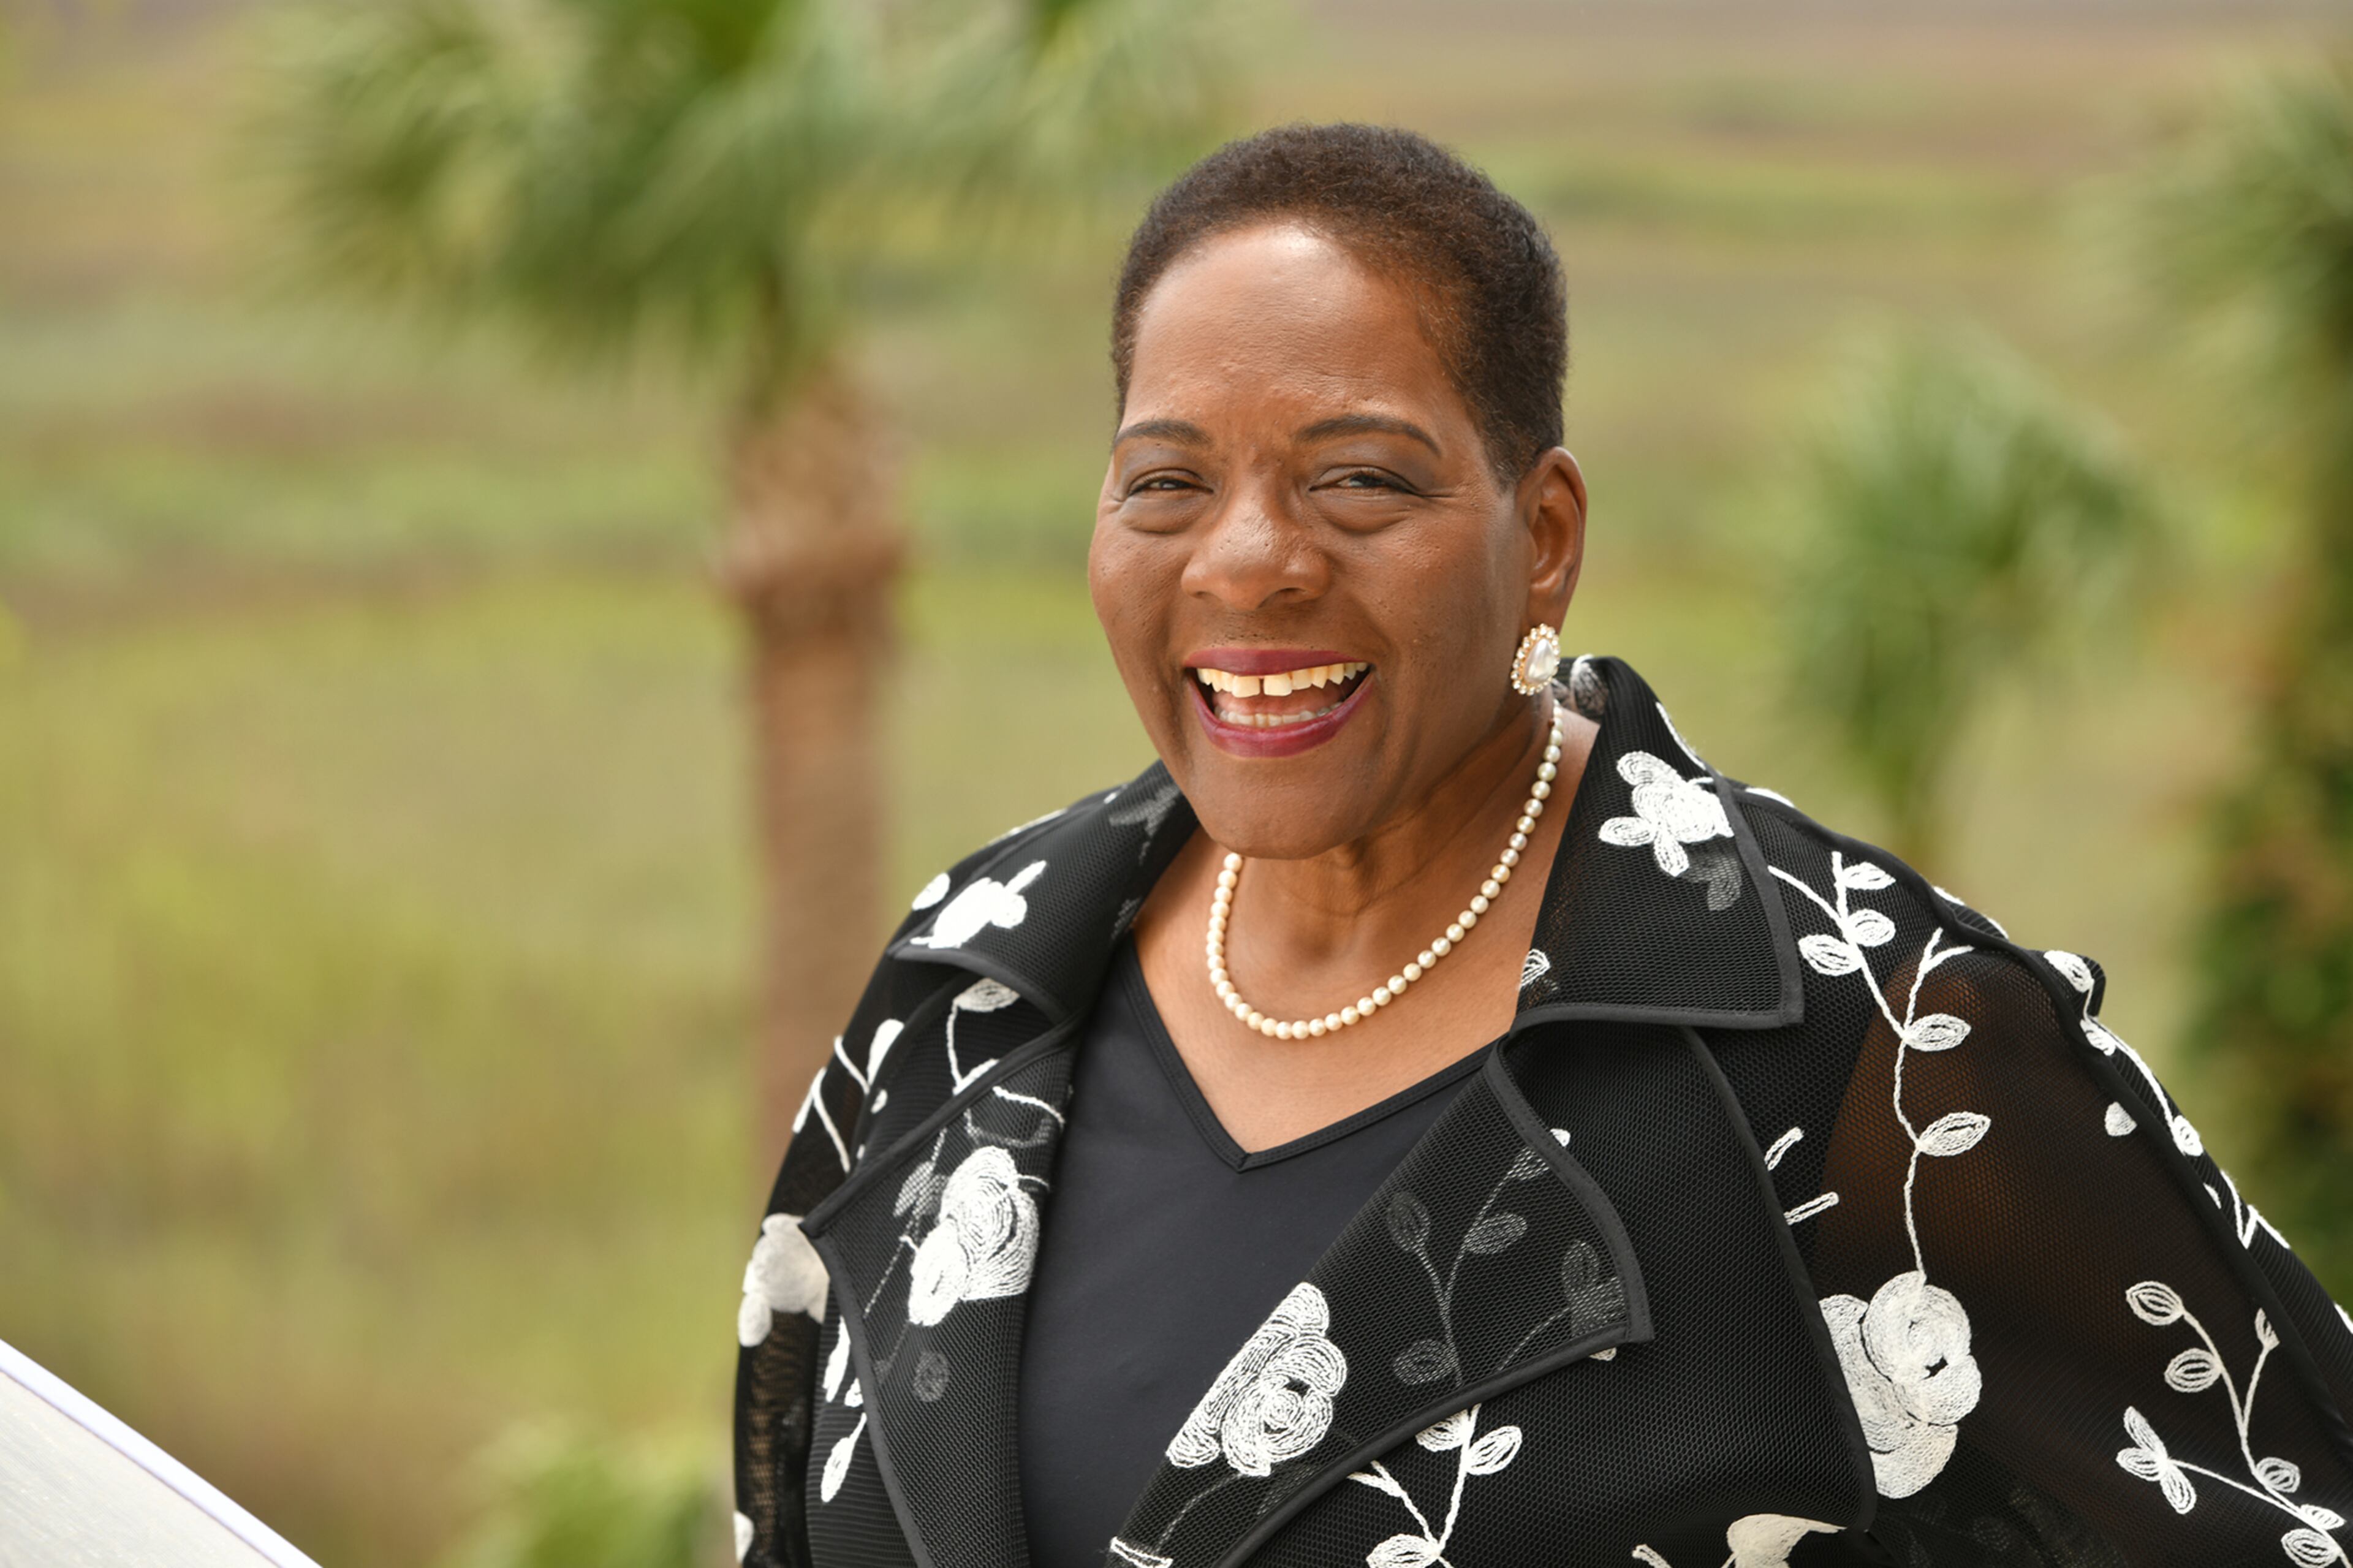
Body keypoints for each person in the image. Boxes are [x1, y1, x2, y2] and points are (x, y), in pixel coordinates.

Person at [731, 124, 2353, 1568]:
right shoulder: (973, 978)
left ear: (1546, 536)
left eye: (1358, 480)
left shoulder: (1867, 1044)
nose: (1244, 564)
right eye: (1166, 483)